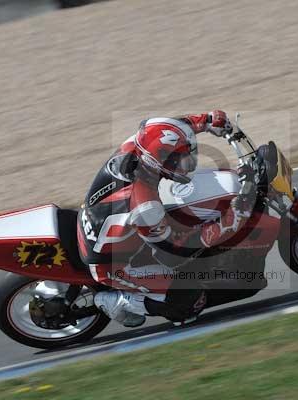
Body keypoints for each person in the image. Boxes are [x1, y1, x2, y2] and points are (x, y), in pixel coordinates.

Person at [76, 110, 257, 327]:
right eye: (177, 160)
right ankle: (120, 301)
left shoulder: (139, 144)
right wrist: (235, 216)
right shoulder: (145, 206)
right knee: (187, 301)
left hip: (110, 226)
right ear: (156, 162)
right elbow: (178, 248)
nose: (187, 163)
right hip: (114, 264)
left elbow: (172, 129)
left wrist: (208, 120)